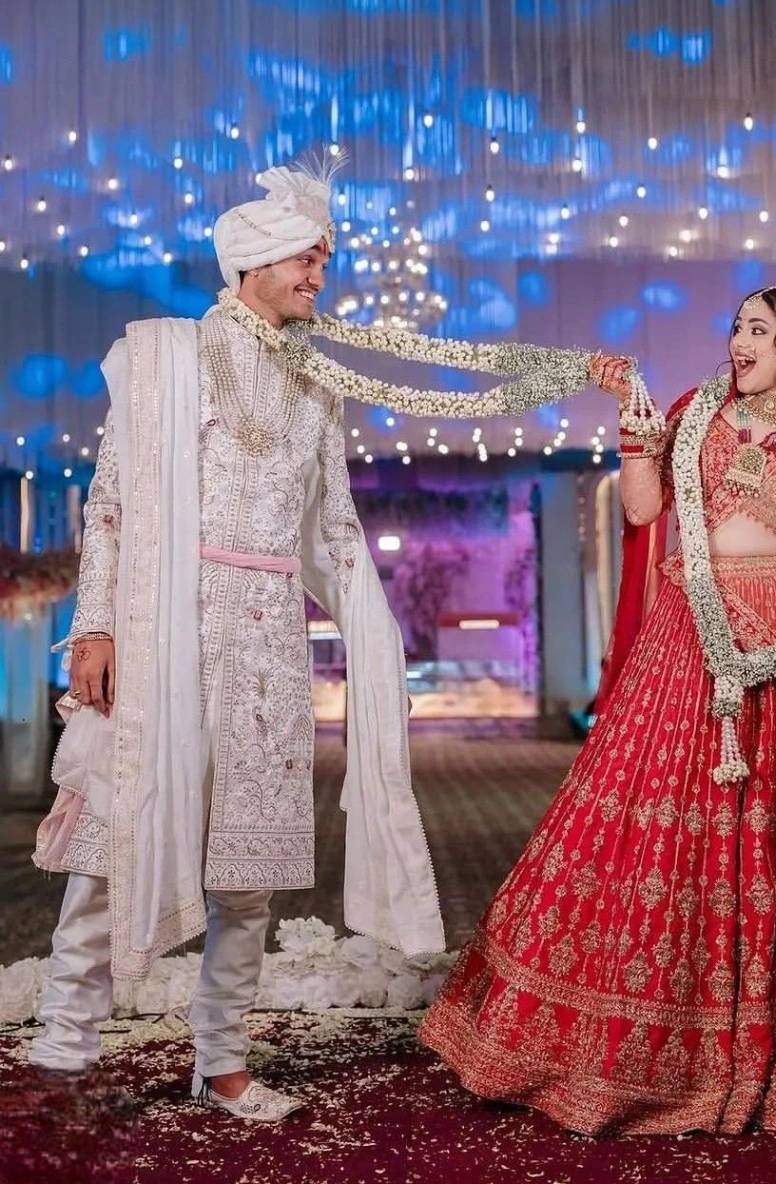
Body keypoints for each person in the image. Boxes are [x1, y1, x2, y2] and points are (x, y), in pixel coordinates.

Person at [419, 284, 776, 1135]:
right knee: (646, 834)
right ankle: (626, 1047)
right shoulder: (695, 419)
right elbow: (642, 510)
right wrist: (630, 418)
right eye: (735, 325)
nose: (739, 340)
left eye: (759, 329)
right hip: (684, 645)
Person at [28, 160, 445, 1120]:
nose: (319, 274)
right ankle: (63, 1046)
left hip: (266, 645)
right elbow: (114, 504)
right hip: (163, 624)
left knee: (251, 875)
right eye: (308, 257)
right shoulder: (163, 358)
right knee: (109, 842)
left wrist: (373, 641)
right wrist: (93, 624)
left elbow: (334, 530)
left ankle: (221, 1062)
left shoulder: (317, 387)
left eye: (323, 259)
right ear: (252, 261)